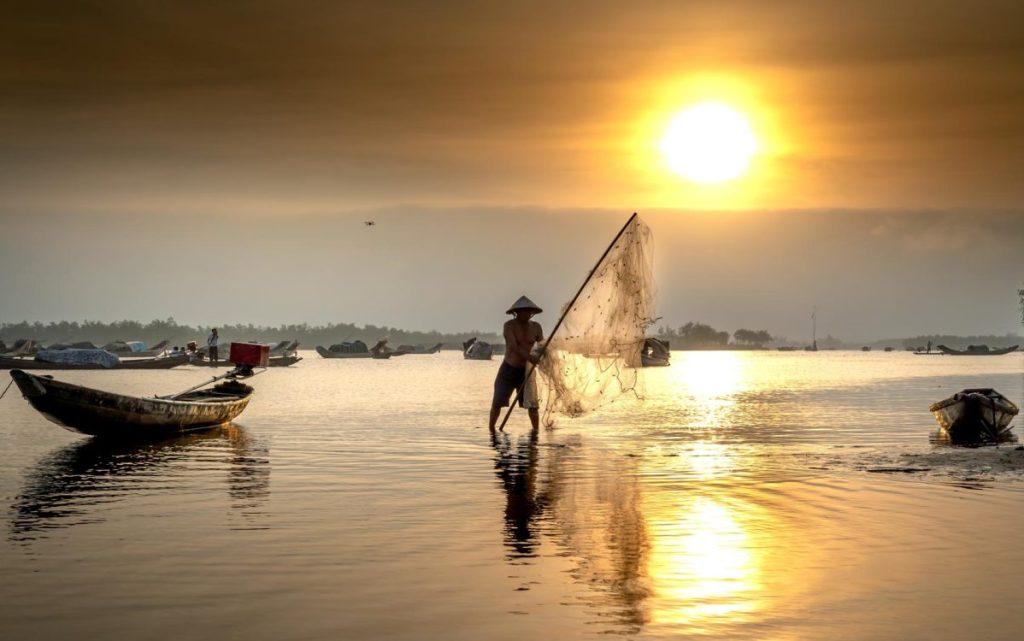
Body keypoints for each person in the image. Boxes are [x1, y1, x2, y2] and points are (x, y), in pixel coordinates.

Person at [489, 296, 544, 432]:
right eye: (523, 311)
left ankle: (535, 432)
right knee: (497, 403)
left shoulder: (536, 327)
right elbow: (513, 347)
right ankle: (491, 430)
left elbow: (541, 345)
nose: (526, 314)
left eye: (529, 311)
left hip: (525, 372)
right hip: (508, 370)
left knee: (532, 406)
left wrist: (542, 354)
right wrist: (530, 357)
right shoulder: (509, 326)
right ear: (516, 312)